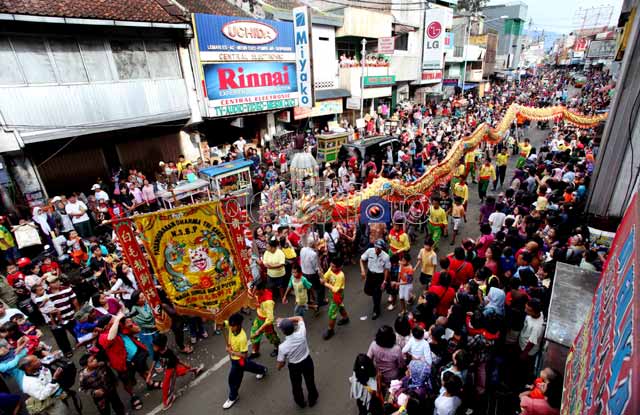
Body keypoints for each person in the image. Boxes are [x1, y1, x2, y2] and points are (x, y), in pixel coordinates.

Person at [97, 312, 158, 411]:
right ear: (107, 325)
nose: (116, 319)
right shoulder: (102, 337)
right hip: (123, 363)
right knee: (128, 382)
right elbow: (110, 338)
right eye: (113, 319)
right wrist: (117, 320)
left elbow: (137, 329)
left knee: (144, 371)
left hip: (137, 355)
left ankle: (150, 383)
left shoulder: (120, 326)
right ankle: (133, 396)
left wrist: (128, 324)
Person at [223, 312, 267, 410]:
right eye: (230, 325)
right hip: (235, 360)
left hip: (238, 361)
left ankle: (233, 397)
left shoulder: (242, 337)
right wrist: (218, 322)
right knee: (248, 366)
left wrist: (232, 352)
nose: (230, 327)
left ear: (238, 325)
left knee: (233, 379)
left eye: (232, 326)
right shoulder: (231, 326)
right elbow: (223, 323)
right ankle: (262, 370)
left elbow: (244, 355)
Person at [150, 333, 203, 409]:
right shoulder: (156, 351)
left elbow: (177, 360)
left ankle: (169, 398)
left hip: (171, 369)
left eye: (155, 345)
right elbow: (154, 360)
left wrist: (185, 364)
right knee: (181, 371)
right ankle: (195, 370)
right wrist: (149, 374)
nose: (153, 346)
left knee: (167, 384)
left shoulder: (169, 352)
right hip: (169, 368)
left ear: (160, 346)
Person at [276, 316, 319, 408]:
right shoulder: (301, 333)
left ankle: (300, 402)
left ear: (283, 332)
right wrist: (285, 320)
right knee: (310, 380)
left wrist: (279, 367)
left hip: (294, 367)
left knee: (296, 385)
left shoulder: (282, 347)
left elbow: (281, 362)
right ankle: (313, 398)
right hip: (307, 361)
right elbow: (299, 318)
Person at [360, 240, 391, 320]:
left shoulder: (386, 256)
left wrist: (384, 281)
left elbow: (386, 269)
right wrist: (363, 270)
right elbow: (361, 259)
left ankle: (376, 311)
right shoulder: (370, 251)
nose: (377, 249)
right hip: (370, 274)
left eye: (379, 248)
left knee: (377, 294)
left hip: (379, 276)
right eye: (376, 247)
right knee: (367, 290)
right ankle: (376, 295)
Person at [249, 282, 281, 358]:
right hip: (258, 318)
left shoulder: (268, 302)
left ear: (261, 290)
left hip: (266, 322)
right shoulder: (257, 294)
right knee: (254, 335)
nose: (253, 293)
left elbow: (270, 319)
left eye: (255, 290)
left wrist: (260, 330)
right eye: (253, 290)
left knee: (272, 337)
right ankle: (255, 352)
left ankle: (278, 349)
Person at [518, 299, 545, 386]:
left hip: (527, 351)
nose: (525, 310)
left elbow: (531, 342)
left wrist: (524, 354)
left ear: (535, 312)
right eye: (526, 308)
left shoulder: (538, 326)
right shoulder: (533, 315)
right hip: (522, 343)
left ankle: (522, 384)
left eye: (528, 310)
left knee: (523, 368)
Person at [322, 257, 350, 340]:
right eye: (331, 265)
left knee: (332, 312)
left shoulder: (340, 276)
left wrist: (325, 284)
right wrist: (322, 279)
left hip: (337, 295)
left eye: (333, 266)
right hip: (332, 293)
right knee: (340, 306)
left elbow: (335, 289)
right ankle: (346, 318)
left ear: (339, 267)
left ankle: (330, 330)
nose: (331, 267)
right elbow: (325, 276)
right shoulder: (331, 268)